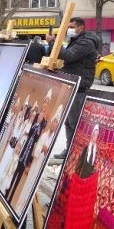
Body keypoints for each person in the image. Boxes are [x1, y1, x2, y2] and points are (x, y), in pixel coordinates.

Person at [46, 18, 100, 158]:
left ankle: (78, 153)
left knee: (75, 123)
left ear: (81, 27)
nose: (69, 29)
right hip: (72, 85)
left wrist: (53, 42)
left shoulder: (86, 42)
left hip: (79, 87)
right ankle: (70, 150)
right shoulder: (77, 40)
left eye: (71, 27)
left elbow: (68, 56)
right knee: (69, 123)